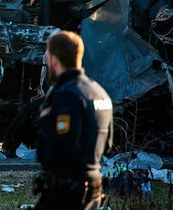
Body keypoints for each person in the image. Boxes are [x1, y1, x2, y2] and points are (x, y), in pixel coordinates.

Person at [33, 30, 113, 210]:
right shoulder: (99, 93)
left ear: (53, 59)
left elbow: (63, 144)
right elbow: (107, 144)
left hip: (67, 190)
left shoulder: (66, 95)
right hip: (94, 185)